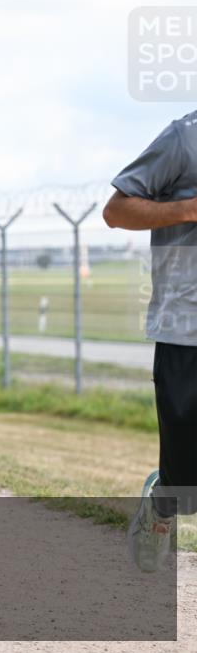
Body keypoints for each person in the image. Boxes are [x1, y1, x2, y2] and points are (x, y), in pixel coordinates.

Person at [103, 109, 197, 573]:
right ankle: (163, 504)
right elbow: (116, 211)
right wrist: (191, 207)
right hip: (186, 325)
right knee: (186, 485)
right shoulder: (185, 138)